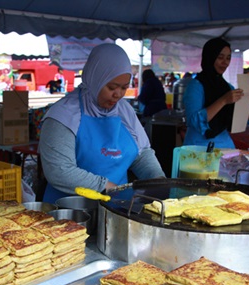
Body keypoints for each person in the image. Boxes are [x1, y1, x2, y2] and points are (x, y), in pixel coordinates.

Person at [39, 43, 165, 203]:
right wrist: (105, 186)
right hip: (70, 212)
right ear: (95, 78)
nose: (118, 94)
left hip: (118, 207)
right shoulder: (63, 115)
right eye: (112, 87)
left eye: (124, 87)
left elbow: (141, 154)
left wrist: (157, 179)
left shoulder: (125, 111)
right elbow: (59, 171)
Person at [183, 37, 249, 148]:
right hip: (198, 149)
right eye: (220, 57)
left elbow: (241, 119)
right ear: (210, 57)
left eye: (228, 58)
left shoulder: (227, 87)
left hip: (225, 147)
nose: (225, 62)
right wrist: (223, 100)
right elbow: (194, 121)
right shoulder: (196, 86)